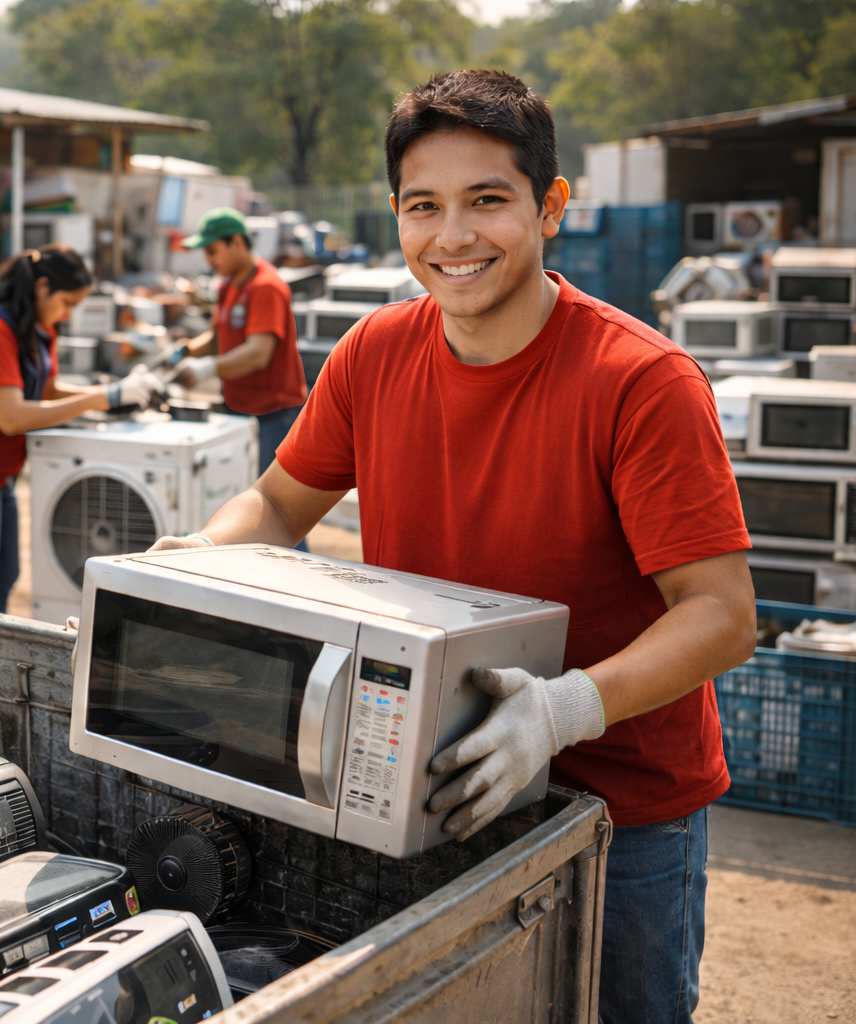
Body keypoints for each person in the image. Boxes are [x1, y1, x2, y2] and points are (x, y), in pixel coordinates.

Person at [151, 70, 754, 1024]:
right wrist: (194, 559)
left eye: (487, 200)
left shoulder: (642, 381)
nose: (453, 236)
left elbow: (720, 615)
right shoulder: (373, 354)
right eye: (423, 206)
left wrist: (561, 710)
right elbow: (275, 504)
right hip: (425, 786)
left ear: (550, 206)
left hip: (618, 808)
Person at [0, 245, 163, 612]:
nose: (68, 314)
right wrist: (99, 397)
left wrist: (115, 393)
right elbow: (11, 417)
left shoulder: (37, 329)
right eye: (66, 303)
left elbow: (47, 390)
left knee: (4, 578)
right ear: (42, 288)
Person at [168, 206, 308, 480]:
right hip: (239, 410)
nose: (209, 260)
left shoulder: (265, 286)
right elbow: (217, 337)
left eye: (212, 251)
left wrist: (207, 369)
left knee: (268, 496)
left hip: (274, 416)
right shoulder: (227, 285)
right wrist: (184, 352)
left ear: (237, 242)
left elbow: (258, 353)